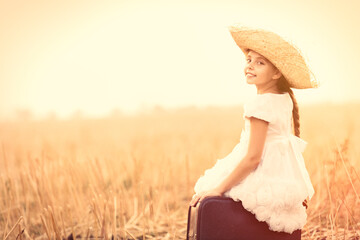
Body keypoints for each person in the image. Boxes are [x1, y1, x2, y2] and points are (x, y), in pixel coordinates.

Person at [189, 24, 318, 234]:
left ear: (277, 72)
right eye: (249, 60)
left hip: (262, 174)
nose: (250, 66)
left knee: (213, 193)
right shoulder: (284, 100)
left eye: (260, 63)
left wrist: (218, 189)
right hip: (281, 177)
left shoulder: (260, 105)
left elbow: (253, 158)